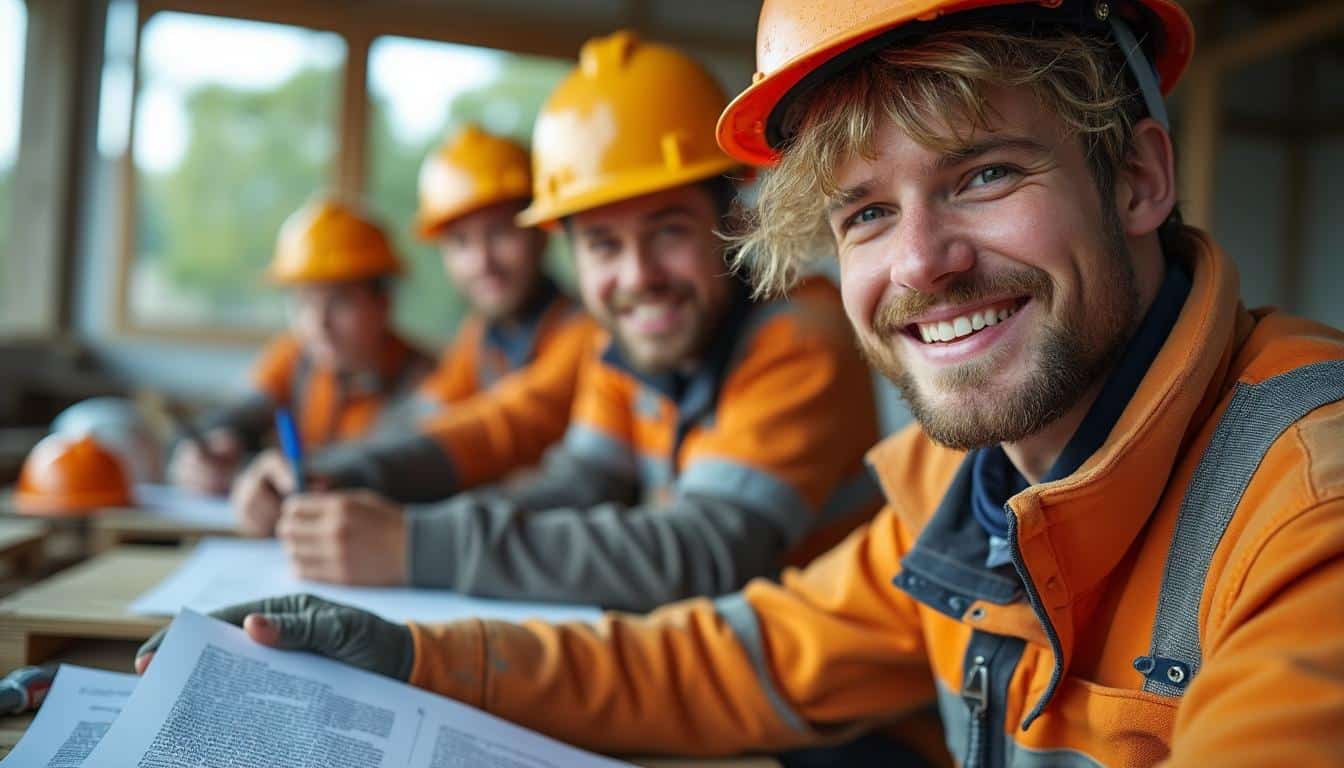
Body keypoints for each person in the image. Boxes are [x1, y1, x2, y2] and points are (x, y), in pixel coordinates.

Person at [144, 2, 1344, 763]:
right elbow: (734, 655)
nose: (921, 262)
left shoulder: (1309, 510)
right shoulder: (962, 478)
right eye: (867, 211)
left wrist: (412, 550)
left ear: (1137, 180)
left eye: (983, 174)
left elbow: (701, 561)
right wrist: (416, 658)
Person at [220, 31, 884, 607]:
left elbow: (706, 549)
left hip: (832, 729)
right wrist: (345, 479)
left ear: (731, 221)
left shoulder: (801, 333)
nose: (637, 276)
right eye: (602, 245)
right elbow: (573, 478)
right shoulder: (625, 346)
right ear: (569, 249)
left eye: (668, 231)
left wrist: (417, 544)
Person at [228, 126, 597, 530]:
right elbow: (427, 415)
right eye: (460, 243)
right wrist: (318, 472)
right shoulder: (480, 336)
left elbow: (493, 429)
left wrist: (340, 473)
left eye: (500, 233)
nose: (481, 261)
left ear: (543, 230)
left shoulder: (583, 334)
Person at [167, 199, 433, 497]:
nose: (318, 324)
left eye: (341, 301)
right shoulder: (293, 358)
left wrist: (248, 472)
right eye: (304, 302)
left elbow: (388, 463)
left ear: (383, 304)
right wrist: (212, 448)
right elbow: (239, 412)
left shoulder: (425, 380)